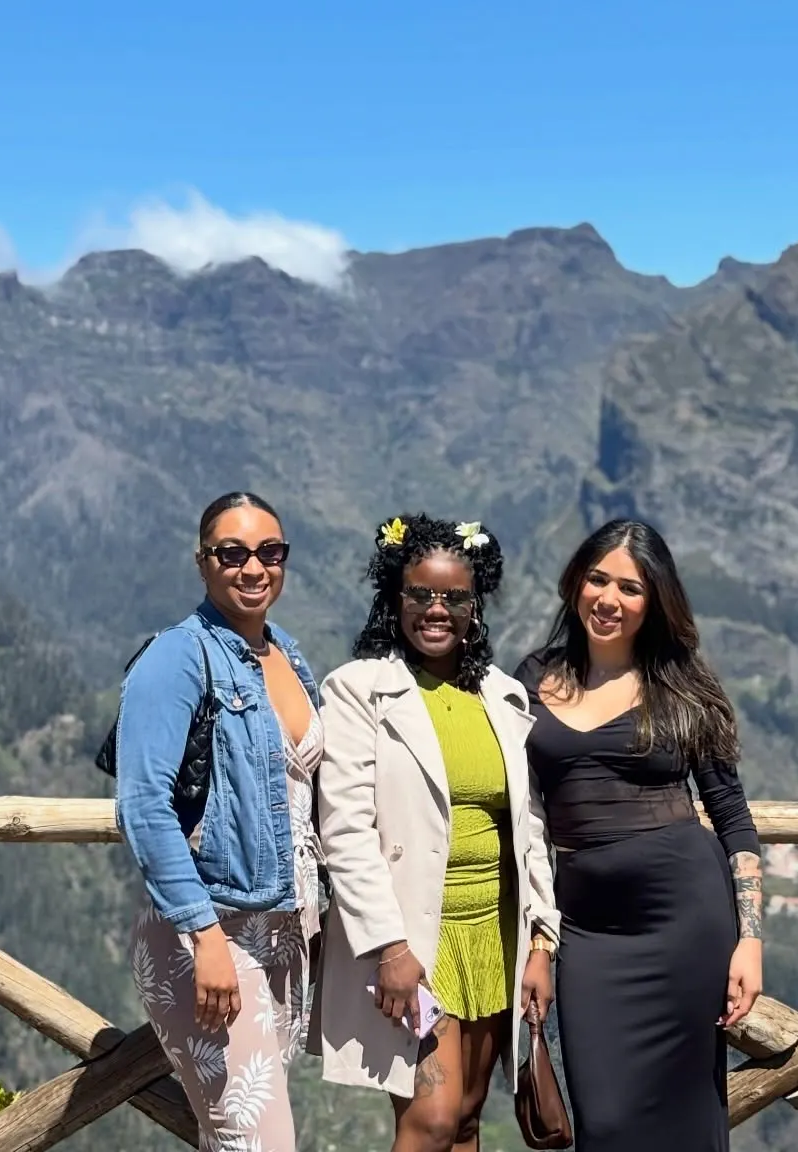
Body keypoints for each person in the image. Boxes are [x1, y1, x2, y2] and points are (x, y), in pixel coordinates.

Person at [515, 518, 763, 1152]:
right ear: (576, 584)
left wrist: (751, 942)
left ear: (653, 601)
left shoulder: (683, 686)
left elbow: (732, 816)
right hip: (588, 932)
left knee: (684, 1116)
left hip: (684, 924)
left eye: (630, 588)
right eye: (598, 579)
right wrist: (539, 943)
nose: (609, 599)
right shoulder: (531, 677)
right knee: (606, 1123)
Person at [316, 514, 559, 1152]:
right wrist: (389, 950)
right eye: (420, 594)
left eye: (453, 597)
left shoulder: (503, 699)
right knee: (431, 1118)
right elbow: (344, 828)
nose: (436, 609)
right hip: (415, 941)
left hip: (493, 935)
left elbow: (529, 830)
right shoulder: (359, 692)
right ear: (394, 599)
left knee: (470, 1117)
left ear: (475, 607)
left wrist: (541, 942)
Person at [118, 491, 323, 1152]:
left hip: (283, 932)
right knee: (259, 1144)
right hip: (208, 936)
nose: (253, 567)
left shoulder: (286, 653)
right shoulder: (174, 660)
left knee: (232, 1139)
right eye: (232, 553)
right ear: (203, 561)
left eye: (270, 552)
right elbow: (144, 806)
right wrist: (204, 934)